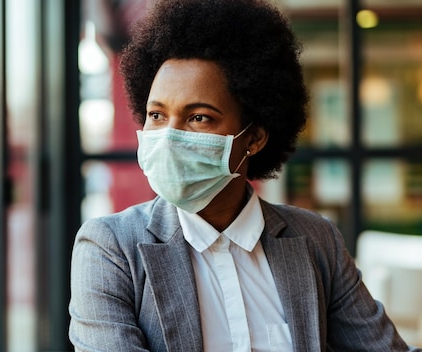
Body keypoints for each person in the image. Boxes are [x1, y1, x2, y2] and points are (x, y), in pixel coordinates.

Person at [68, 0, 422, 351]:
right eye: (157, 115)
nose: (169, 136)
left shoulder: (317, 241)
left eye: (199, 117)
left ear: (253, 138)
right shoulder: (110, 248)